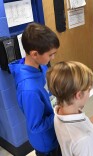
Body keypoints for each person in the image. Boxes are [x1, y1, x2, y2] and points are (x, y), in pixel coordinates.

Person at [8, 23, 61, 155]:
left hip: (55, 129)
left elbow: (47, 90)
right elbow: (36, 126)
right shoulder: (28, 90)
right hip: (46, 143)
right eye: (50, 55)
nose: (53, 58)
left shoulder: (41, 66)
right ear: (35, 54)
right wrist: (60, 112)